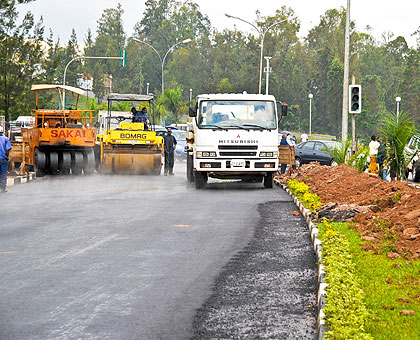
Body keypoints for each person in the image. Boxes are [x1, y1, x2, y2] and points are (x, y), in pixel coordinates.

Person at [0, 125, 12, 193]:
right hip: (3, 159)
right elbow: (8, 149)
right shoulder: (6, 139)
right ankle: (3, 188)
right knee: (3, 173)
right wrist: (6, 156)